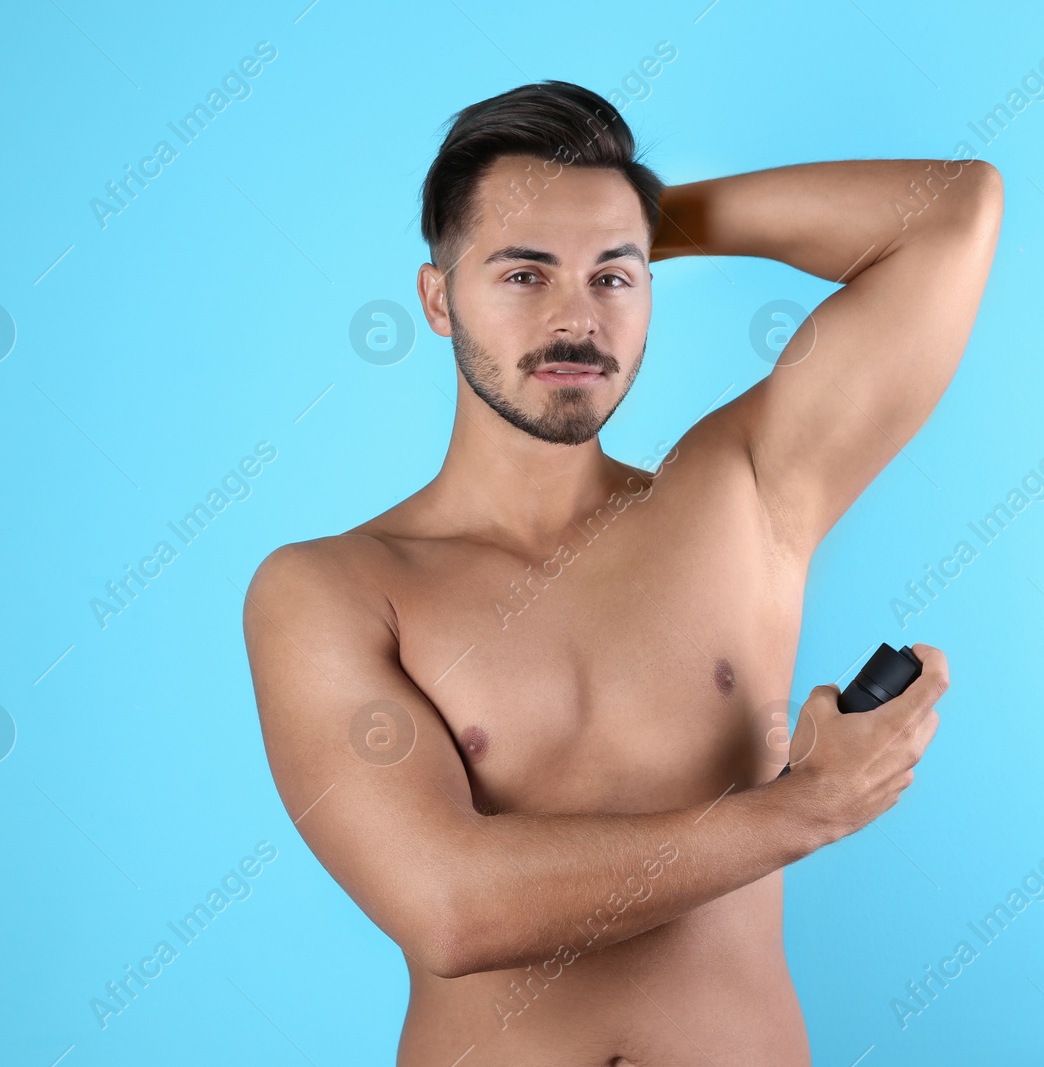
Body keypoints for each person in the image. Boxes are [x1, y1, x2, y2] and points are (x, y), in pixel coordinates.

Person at [242, 79, 1001, 1066]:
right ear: (438, 297)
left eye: (613, 276)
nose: (576, 317)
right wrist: (803, 806)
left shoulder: (743, 497)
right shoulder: (334, 589)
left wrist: (647, 218)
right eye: (523, 274)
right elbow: (450, 906)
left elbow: (951, 211)